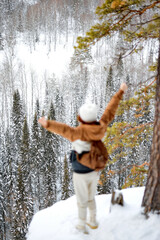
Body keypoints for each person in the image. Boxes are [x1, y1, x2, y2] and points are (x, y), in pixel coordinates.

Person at [38, 82, 127, 234]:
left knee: (82, 199)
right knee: (91, 197)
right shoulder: (101, 127)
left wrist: (48, 124)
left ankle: (81, 224)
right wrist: (120, 92)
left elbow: (63, 129)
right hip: (93, 170)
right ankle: (92, 221)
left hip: (79, 172)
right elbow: (109, 111)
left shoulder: (76, 133)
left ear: (82, 119)